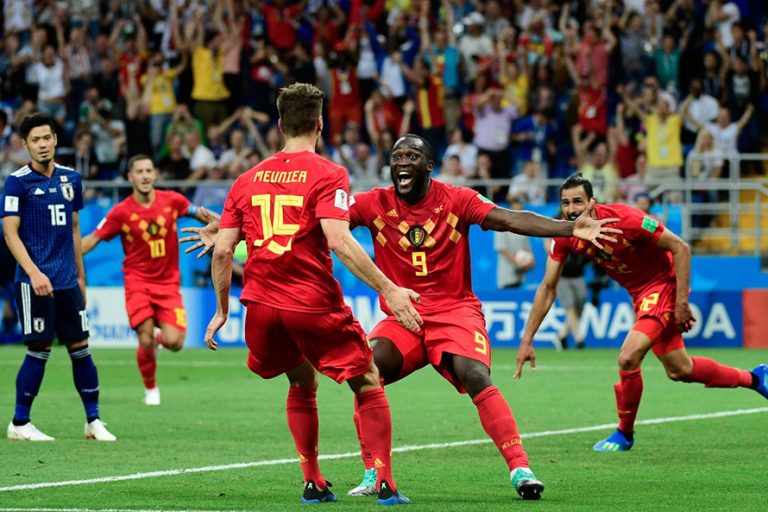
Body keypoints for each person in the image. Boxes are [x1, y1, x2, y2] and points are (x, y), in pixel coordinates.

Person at [185, 133, 622, 501]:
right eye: (396, 158)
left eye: (412, 156)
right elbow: (307, 223)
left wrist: (568, 227)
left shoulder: (457, 199)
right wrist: (232, 230)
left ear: (429, 166)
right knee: (365, 370)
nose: (402, 163)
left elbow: (508, 219)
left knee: (475, 375)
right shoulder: (372, 203)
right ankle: (374, 471)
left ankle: (520, 469)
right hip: (402, 315)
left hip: (454, 312)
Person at [201, 83, 417, 505]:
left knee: (301, 379)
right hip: (311, 302)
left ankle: (313, 481)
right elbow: (338, 240)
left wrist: (221, 310)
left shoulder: (246, 180)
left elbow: (223, 250)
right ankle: (385, 482)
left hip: (261, 307)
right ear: (320, 124)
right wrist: (389, 289)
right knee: (367, 379)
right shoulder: (329, 173)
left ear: (280, 125)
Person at [515, 173, 768, 452]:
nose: (572, 209)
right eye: (566, 203)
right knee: (680, 369)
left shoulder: (627, 220)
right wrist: (527, 339)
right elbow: (548, 287)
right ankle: (756, 378)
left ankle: (624, 433)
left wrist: (681, 303)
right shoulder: (567, 234)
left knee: (628, 357)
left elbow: (680, 248)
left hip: (664, 285)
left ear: (592, 202)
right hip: (640, 296)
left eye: (578, 201)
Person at [2, 114, 116, 442]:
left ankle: (93, 420)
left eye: (46, 138)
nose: (42, 145)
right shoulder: (17, 182)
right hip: (35, 282)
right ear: (25, 145)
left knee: (81, 348)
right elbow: (10, 233)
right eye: (35, 140)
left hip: (67, 281)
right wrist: (34, 272)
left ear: (55, 139)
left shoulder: (71, 179)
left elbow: (75, 229)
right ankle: (20, 422)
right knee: (39, 349)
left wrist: (81, 276)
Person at [81, 154, 218, 405]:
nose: (145, 176)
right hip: (137, 282)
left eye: (148, 171)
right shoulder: (120, 212)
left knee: (175, 342)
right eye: (139, 171)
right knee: (143, 336)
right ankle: (151, 389)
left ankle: (158, 341)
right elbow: (93, 240)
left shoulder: (173, 201)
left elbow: (201, 215)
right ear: (130, 177)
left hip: (168, 284)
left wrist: (225, 227)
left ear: (155, 174)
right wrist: (64, 256)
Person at [494, 198, 535, 289]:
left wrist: (530, 262)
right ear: (510, 210)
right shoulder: (501, 226)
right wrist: (518, 263)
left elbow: (527, 248)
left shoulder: (523, 227)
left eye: (520, 210)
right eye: (516, 210)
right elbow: (502, 250)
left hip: (521, 277)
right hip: (507, 276)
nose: (518, 213)